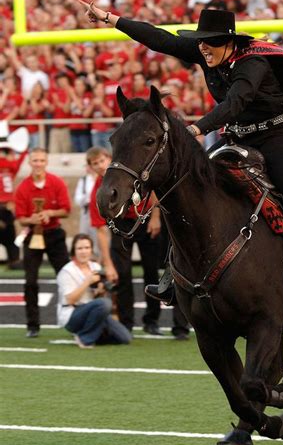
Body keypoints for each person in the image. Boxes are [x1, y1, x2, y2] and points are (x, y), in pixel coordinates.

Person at [80, 4, 283, 300]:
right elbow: (159, 38)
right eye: (201, 40)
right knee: (189, 186)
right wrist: (110, 19)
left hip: (277, 135)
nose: (203, 47)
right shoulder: (206, 50)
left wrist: (198, 128)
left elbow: (235, 104)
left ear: (229, 41)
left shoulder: (252, 63)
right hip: (238, 136)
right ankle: (175, 271)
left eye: (210, 41)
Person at [86, 147, 189, 339]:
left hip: (146, 219)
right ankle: (127, 324)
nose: (100, 166)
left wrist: (156, 218)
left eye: (102, 160)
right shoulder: (98, 190)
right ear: (90, 167)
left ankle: (152, 321)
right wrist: (107, 263)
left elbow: (153, 190)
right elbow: (100, 229)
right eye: (95, 164)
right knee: (122, 274)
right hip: (120, 225)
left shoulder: (128, 171)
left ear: (109, 158)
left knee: (151, 271)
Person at [14, 147, 71, 337]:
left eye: (41, 160)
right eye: (35, 160)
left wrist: (49, 213)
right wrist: (33, 219)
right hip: (32, 235)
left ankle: (73, 321)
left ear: (46, 162)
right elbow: (20, 217)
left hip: (54, 234)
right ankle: (33, 325)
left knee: (66, 277)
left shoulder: (57, 182)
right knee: (30, 282)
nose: (38, 164)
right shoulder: (23, 187)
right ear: (29, 163)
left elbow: (66, 209)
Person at [57, 233, 132, 349]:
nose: (83, 251)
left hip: (92, 311)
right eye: (79, 248)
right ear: (74, 251)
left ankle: (90, 333)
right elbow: (70, 299)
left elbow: (97, 297)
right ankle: (85, 338)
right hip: (72, 314)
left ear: (91, 250)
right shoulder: (66, 271)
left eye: (87, 248)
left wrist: (101, 290)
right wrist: (87, 281)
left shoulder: (95, 267)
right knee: (105, 303)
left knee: (125, 338)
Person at [0, 125, 28, 270]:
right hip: (3, 206)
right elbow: (18, 159)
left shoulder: (9, 169)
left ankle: (14, 260)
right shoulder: (9, 166)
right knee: (9, 236)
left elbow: (17, 161)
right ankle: (13, 260)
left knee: (10, 236)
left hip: (6, 207)